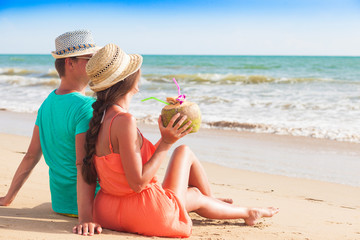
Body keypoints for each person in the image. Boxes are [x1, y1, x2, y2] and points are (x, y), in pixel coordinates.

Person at [79, 42, 279, 238]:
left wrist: (167, 133)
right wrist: (166, 143)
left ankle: (216, 203)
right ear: (129, 81)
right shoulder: (125, 120)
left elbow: (120, 169)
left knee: (186, 169)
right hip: (147, 213)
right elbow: (138, 183)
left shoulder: (100, 119)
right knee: (190, 177)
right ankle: (245, 211)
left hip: (108, 212)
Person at [0, 30, 102, 235]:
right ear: (69, 63)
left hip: (60, 204)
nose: (95, 64)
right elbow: (83, 162)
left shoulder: (47, 104)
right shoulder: (86, 107)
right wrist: (86, 218)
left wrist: (8, 197)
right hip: (92, 205)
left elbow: (31, 156)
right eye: (89, 59)